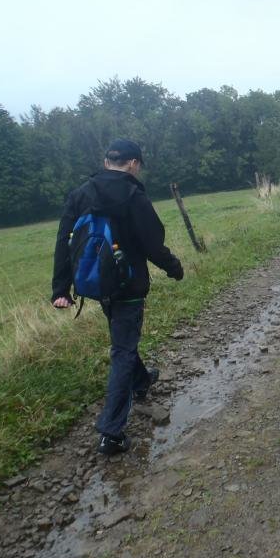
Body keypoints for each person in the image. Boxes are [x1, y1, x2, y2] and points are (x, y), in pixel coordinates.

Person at [51, 139, 184, 455]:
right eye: (139, 166)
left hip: (96, 284)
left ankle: (141, 381)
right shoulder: (133, 195)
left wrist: (61, 289)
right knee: (123, 350)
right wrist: (174, 267)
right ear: (133, 163)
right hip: (129, 285)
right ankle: (111, 431)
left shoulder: (80, 194)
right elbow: (152, 244)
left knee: (123, 340)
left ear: (106, 161)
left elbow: (64, 242)